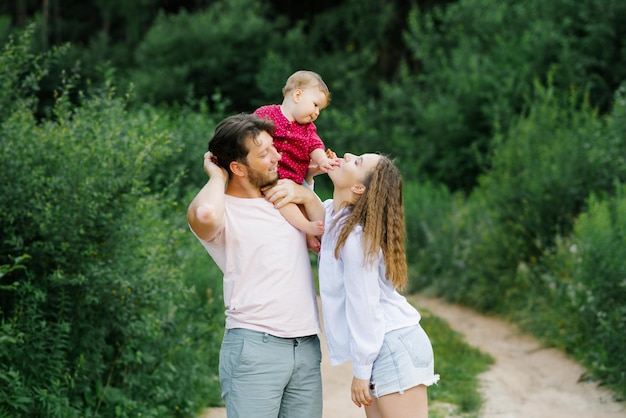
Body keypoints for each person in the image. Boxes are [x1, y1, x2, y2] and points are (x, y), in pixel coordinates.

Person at [187, 113, 326, 418]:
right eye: (264, 154)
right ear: (237, 168)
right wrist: (216, 176)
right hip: (254, 346)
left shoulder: (283, 198)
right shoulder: (224, 211)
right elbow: (205, 215)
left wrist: (304, 191)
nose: (277, 156)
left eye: (273, 147)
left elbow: (329, 233)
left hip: (305, 347)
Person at [316, 152, 440, 418]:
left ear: (359, 188)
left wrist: (361, 372)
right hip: (384, 345)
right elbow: (308, 209)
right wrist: (307, 173)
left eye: (357, 161)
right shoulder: (336, 217)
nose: (347, 155)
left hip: (393, 346)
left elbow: (365, 306)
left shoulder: (356, 239)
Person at [254, 70, 337, 243]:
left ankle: (309, 236)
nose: (317, 113)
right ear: (298, 95)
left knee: (302, 203)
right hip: (269, 175)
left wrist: (323, 160)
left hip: (294, 179)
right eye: (315, 105)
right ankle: (306, 229)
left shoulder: (308, 128)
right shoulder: (266, 114)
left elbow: (315, 145)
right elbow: (248, 133)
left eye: (319, 109)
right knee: (284, 200)